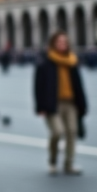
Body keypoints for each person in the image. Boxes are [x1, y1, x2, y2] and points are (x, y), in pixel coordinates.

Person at [33, 30, 87, 176]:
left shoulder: (72, 60)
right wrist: (40, 107)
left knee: (72, 132)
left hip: (71, 103)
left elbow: (79, 85)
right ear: (53, 43)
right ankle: (52, 161)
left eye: (64, 42)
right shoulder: (45, 61)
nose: (62, 44)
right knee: (57, 132)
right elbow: (38, 86)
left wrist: (83, 105)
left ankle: (69, 164)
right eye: (59, 42)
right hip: (52, 104)